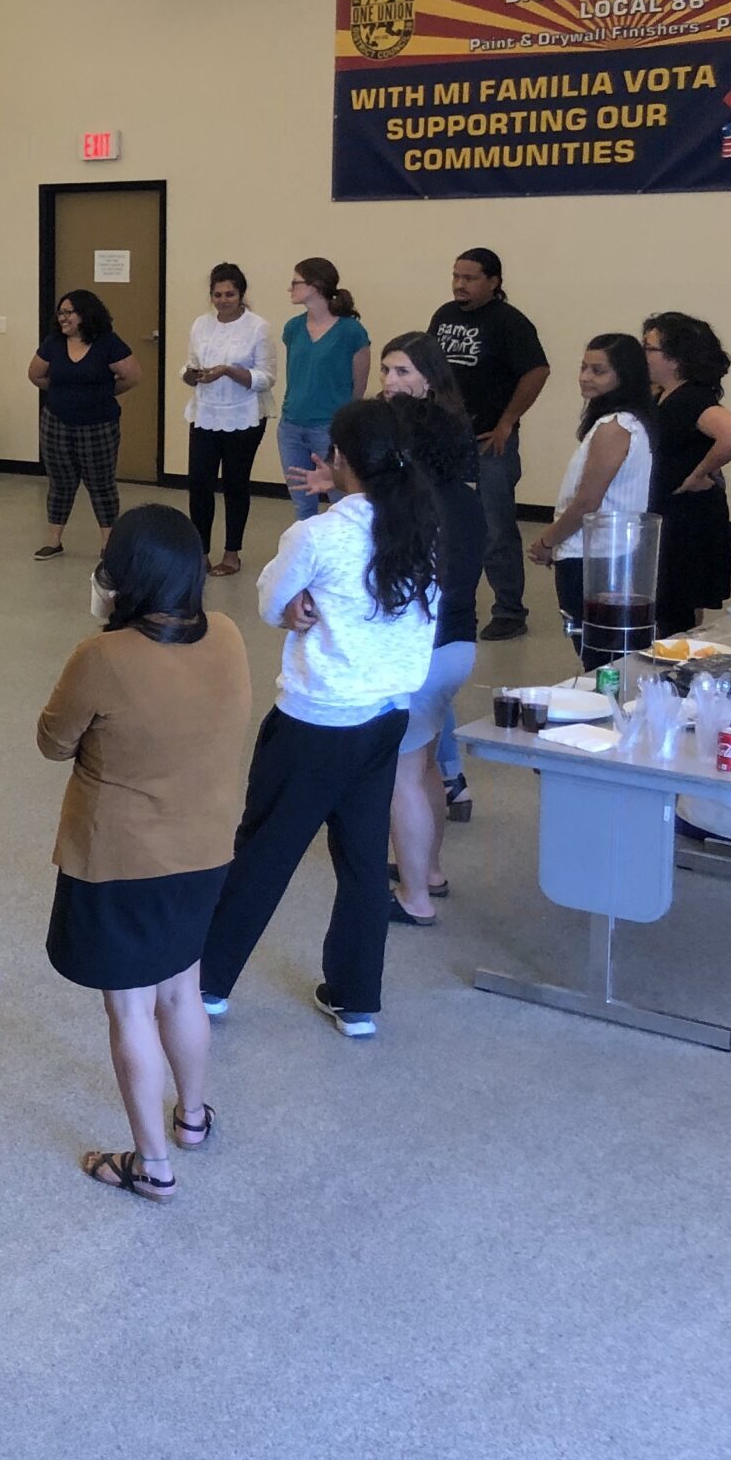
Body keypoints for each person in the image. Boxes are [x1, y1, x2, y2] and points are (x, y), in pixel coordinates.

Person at [201, 399, 440, 1039]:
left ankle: (209, 985)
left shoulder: (318, 533)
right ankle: (357, 999)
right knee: (363, 859)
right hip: (386, 715)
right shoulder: (418, 523)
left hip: (315, 720)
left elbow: (272, 599)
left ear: (340, 459)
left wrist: (292, 611)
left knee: (265, 852)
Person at [36, 508, 249, 1202]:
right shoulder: (228, 634)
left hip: (121, 859)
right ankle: (191, 1117)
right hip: (206, 847)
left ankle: (153, 1164)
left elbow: (53, 740)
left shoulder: (101, 656)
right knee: (182, 987)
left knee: (130, 1010)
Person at [359, 338, 484, 928]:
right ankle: (429, 869)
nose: (388, 377)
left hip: (422, 653)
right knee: (428, 762)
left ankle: (413, 897)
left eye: (400, 370)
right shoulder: (463, 493)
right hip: (459, 646)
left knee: (404, 774)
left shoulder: (414, 506)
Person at [430, 249, 550, 642]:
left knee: (495, 526)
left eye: (469, 277)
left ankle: (510, 611)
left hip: (488, 443)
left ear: (494, 281)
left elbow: (537, 370)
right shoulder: (444, 315)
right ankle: (448, 603)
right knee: (445, 523)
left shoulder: (509, 322)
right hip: (446, 439)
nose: (459, 284)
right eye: (455, 276)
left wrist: (507, 422)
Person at [528, 334, 656, 671]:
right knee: (606, 656)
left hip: (595, 558)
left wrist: (546, 541)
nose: (585, 376)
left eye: (598, 370)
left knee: (600, 657)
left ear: (623, 376)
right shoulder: (623, 422)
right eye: (583, 367)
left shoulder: (614, 427)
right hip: (608, 553)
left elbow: (587, 502)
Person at [642, 312, 731, 639]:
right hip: (666, 510)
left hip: (687, 515)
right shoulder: (660, 393)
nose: (644, 355)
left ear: (676, 358)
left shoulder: (692, 397)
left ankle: (679, 660)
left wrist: (699, 473)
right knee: (667, 598)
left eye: (650, 348)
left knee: (678, 599)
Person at [181, 263, 275, 577]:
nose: (223, 300)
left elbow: (266, 377)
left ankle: (232, 552)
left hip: (244, 415)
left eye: (230, 294)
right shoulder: (200, 324)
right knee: (198, 483)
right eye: (218, 295)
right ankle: (200, 550)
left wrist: (228, 371)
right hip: (205, 413)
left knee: (235, 484)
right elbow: (190, 365)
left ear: (241, 294)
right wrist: (192, 375)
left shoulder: (258, 327)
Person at [29, 289, 138, 561]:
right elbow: (36, 375)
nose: (63, 318)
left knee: (100, 484)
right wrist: (64, 390)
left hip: (98, 424)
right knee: (60, 482)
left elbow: (131, 376)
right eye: (61, 312)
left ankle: (108, 543)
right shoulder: (53, 342)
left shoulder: (107, 343)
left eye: (69, 312)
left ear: (85, 314)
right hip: (57, 422)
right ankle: (54, 540)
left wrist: (101, 392)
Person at [276, 259, 372, 524]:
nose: (290, 288)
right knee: (302, 503)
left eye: (296, 282)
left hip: (330, 427)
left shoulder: (351, 331)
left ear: (316, 286)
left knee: (340, 500)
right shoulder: (293, 328)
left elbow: (359, 384)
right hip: (291, 426)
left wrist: (346, 428)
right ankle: (308, 556)